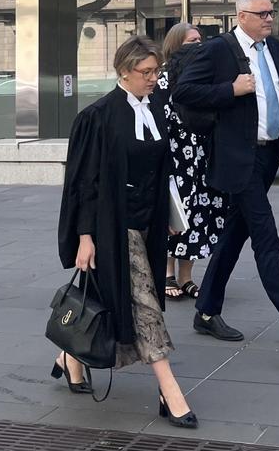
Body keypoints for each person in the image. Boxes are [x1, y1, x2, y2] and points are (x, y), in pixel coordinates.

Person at [172, 0, 279, 366]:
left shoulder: (274, 48)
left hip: (268, 157)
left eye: (271, 12)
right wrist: (229, 89)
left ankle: (205, 310)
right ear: (242, 16)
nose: (269, 18)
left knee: (235, 232)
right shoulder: (218, 50)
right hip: (239, 160)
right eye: (262, 13)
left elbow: (276, 94)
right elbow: (184, 92)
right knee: (267, 238)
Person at [56, 35, 198, 429]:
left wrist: (169, 211)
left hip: (149, 224)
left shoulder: (154, 108)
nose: (154, 79)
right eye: (146, 72)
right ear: (124, 71)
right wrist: (85, 236)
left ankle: (69, 357)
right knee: (145, 305)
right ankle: (171, 392)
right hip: (111, 226)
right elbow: (84, 182)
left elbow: (159, 168)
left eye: (157, 71)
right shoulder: (97, 116)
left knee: (110, 298)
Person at [159, 22, 229, 300]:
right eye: (191, 41)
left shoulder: (204, 79)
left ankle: (187, 275)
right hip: (174, 159)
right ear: (175, 45)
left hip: (201, 160)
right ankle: (167, 273)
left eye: (200, 40)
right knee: (174, 214)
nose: (198, 45)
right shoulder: (162, 81)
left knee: (198, 217)